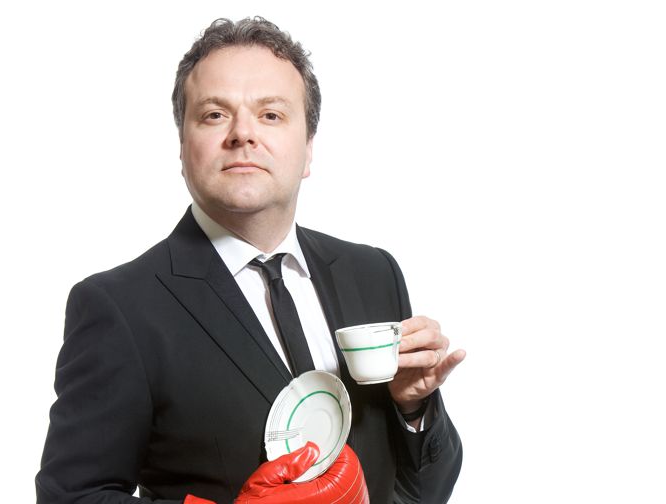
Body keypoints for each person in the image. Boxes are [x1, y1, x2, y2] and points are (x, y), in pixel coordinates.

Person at [36, 17, 465, 504]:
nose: (243, 133)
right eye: (214, 114)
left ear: (308, 149)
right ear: (182, 148)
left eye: (271, 115)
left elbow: (420, 492)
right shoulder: (119, 307)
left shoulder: (373, 273)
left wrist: (414, 409)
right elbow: (69, 497)